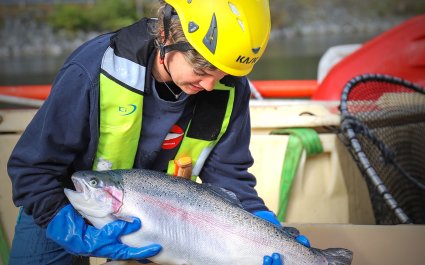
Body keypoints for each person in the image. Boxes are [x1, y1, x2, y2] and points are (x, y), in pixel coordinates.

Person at [7, 0, 309, 264]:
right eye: (201, 70)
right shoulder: (91, 71)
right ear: (165, 35)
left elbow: (229, 175)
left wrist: (264, 227)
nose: (210, 86)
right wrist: (64, 225)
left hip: (160, 218)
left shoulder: (226, 87)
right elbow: (33, 168)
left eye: (223, 74)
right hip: (59, 201)